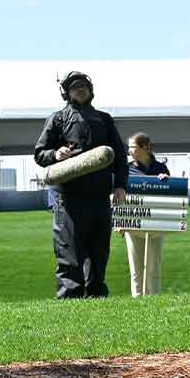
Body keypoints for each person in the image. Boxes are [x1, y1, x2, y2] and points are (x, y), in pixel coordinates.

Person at [34, 71, 127, 298]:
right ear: (66, 92)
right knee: (69, 253)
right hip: (69, 199)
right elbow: (39, 154)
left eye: (84, 85)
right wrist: (56, 154)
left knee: (99, 253)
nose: (80, 89)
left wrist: (120, 185)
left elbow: (120, 156)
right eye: (75, 86)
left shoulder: (104, 119)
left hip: (99, 198)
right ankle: (69, 298)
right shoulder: (57, 119)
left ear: (91, 90)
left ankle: (96, 296)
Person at [123, 132, 170, 298]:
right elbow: (118, 197)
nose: (129, 150)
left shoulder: (161, 168)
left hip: (155, 226)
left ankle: (153, 298)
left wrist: (166, 181)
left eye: (133, 147)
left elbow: (170, 196)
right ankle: (137, 299)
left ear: (145, 147)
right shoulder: (126, 170)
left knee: (153, 267)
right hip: (132, 226)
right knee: (136, 269)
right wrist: (118, 222)